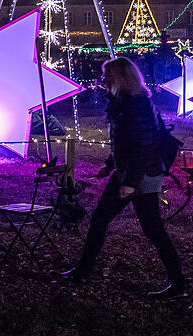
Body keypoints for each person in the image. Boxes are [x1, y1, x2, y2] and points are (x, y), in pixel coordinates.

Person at [60, 57, 187, 299]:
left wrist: (130, 183)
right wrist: (110, 165)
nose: (103, 80)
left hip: (142, 174)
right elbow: (123, 142)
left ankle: (179, 284)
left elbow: (143, 145)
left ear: (122, 78)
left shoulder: (136, 105)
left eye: (108, 75)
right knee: (100, 219)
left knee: (153, 229)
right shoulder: (121, 103)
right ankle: (82, 271)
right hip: (127, 171)